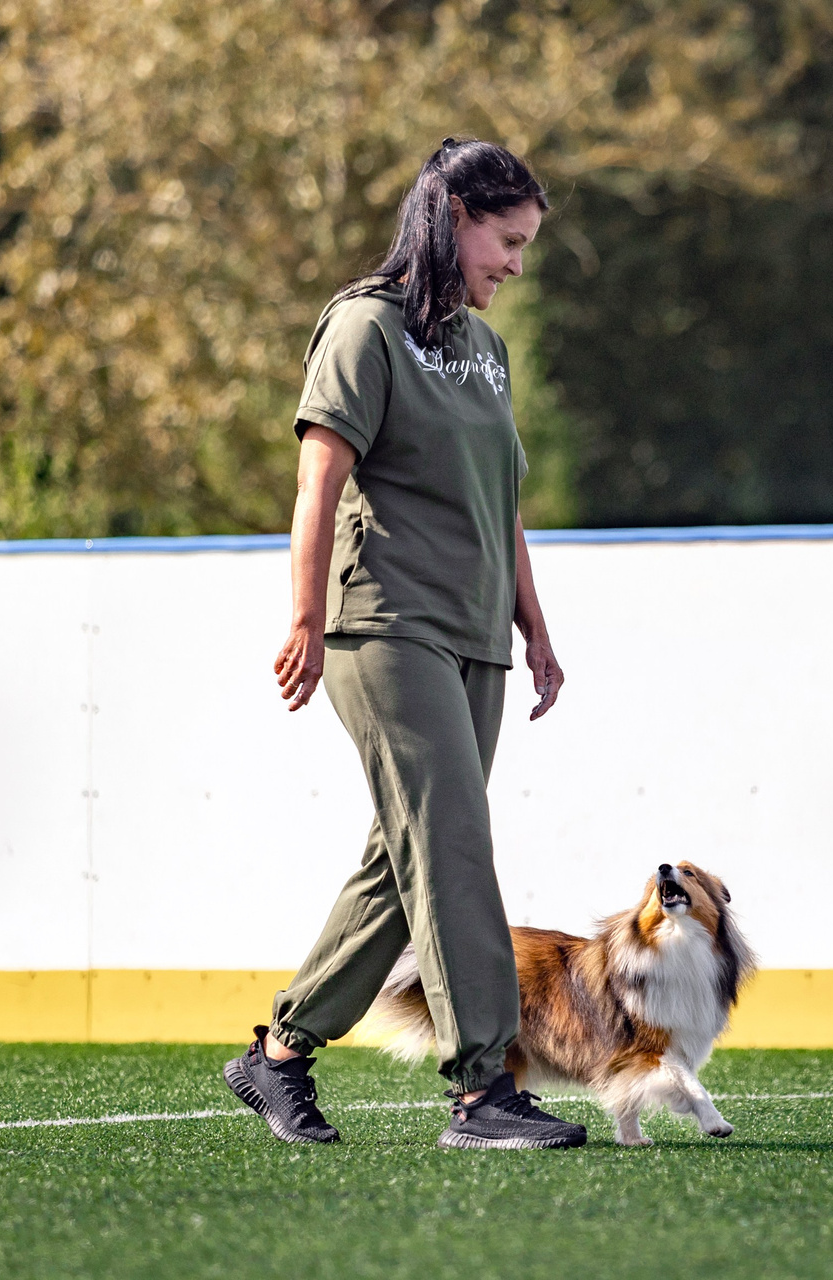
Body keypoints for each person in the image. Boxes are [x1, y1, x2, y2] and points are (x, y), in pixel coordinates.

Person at [223, 138, 586, 1150]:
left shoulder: (486, 350)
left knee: (409, 853)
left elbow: (501, 501)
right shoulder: (363, 327)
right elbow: (319, 478)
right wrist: (304, 618)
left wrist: (535, 625)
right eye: (507, 240)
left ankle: (280, 1052)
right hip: (383, 624)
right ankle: (483, 1088)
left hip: (476, 632)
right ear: (455, 216)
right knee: (454, 841)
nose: (516, 264)